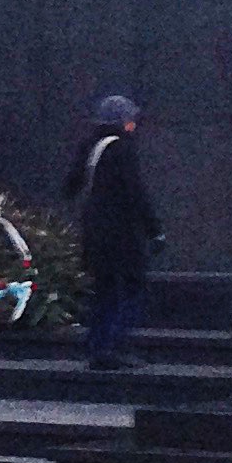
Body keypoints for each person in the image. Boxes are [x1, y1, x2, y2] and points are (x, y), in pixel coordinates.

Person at [64, 94, 162, 369]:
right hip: (122, 233)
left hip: (93, 231)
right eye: (131, 120)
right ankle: (116, 345)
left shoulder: (88, 146)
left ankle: (97, 347)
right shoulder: (122, 149)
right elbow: (136, 193)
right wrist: (154, 230)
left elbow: (70, 187)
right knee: (131, 289)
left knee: (103, 290)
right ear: (124, 121)